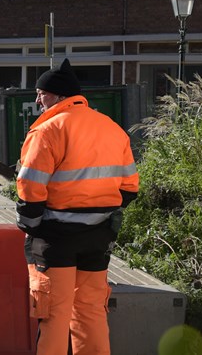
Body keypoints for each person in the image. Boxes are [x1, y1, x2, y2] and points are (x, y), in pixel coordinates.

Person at [15, 59, 139, 355]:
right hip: (98, 237)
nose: (37, 100)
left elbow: (30, 190)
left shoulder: (47, 131)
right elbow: (130, 188)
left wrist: (31, 225)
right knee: (91, 311)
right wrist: (100, 211)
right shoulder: (111, 128)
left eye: (41, 93)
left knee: (53, 314)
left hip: (56, 237)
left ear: (58, 96)